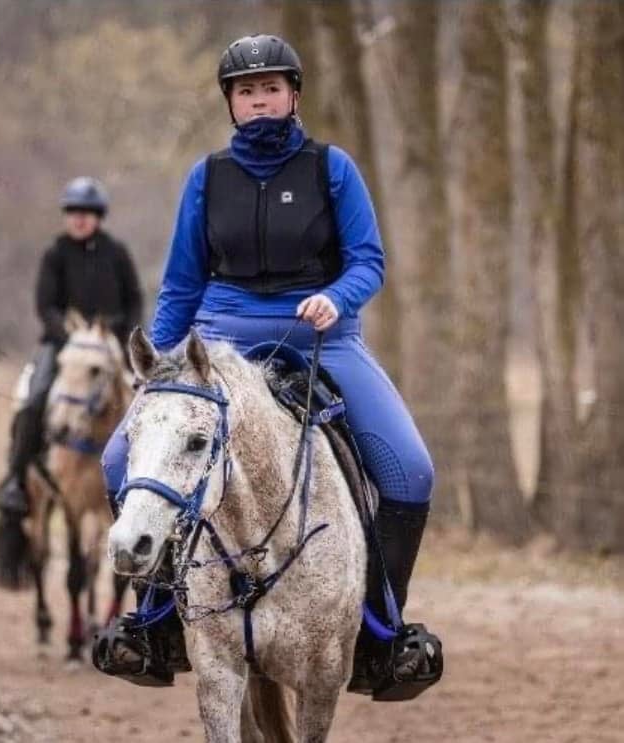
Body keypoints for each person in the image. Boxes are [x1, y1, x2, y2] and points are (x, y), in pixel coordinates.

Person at [100, 35, 442, 699]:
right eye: (245, 92)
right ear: (230, 102)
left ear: (293, 95)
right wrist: (159, 370)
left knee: (410, 469)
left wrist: (334, 298)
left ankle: (380, 634)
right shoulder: (205, 178)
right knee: (119, 461)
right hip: (219, 331)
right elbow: (179, 282)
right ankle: (155, 623)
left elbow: (367, 260)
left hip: (323, 335)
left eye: (271, 89)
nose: (259, 102)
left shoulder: (332, 168)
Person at [0, 177, 143, 516]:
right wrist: (69, 337)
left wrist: (124, 337)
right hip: (64, 346)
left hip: (111, 347)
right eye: (74, 211)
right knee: (33, 401)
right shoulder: (55, 253)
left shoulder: (116, 253)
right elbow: (45, 306)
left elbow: (134, 300)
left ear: (98, 216)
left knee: (146, 400)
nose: (79, 218)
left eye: (87, 212)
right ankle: (16, 482)